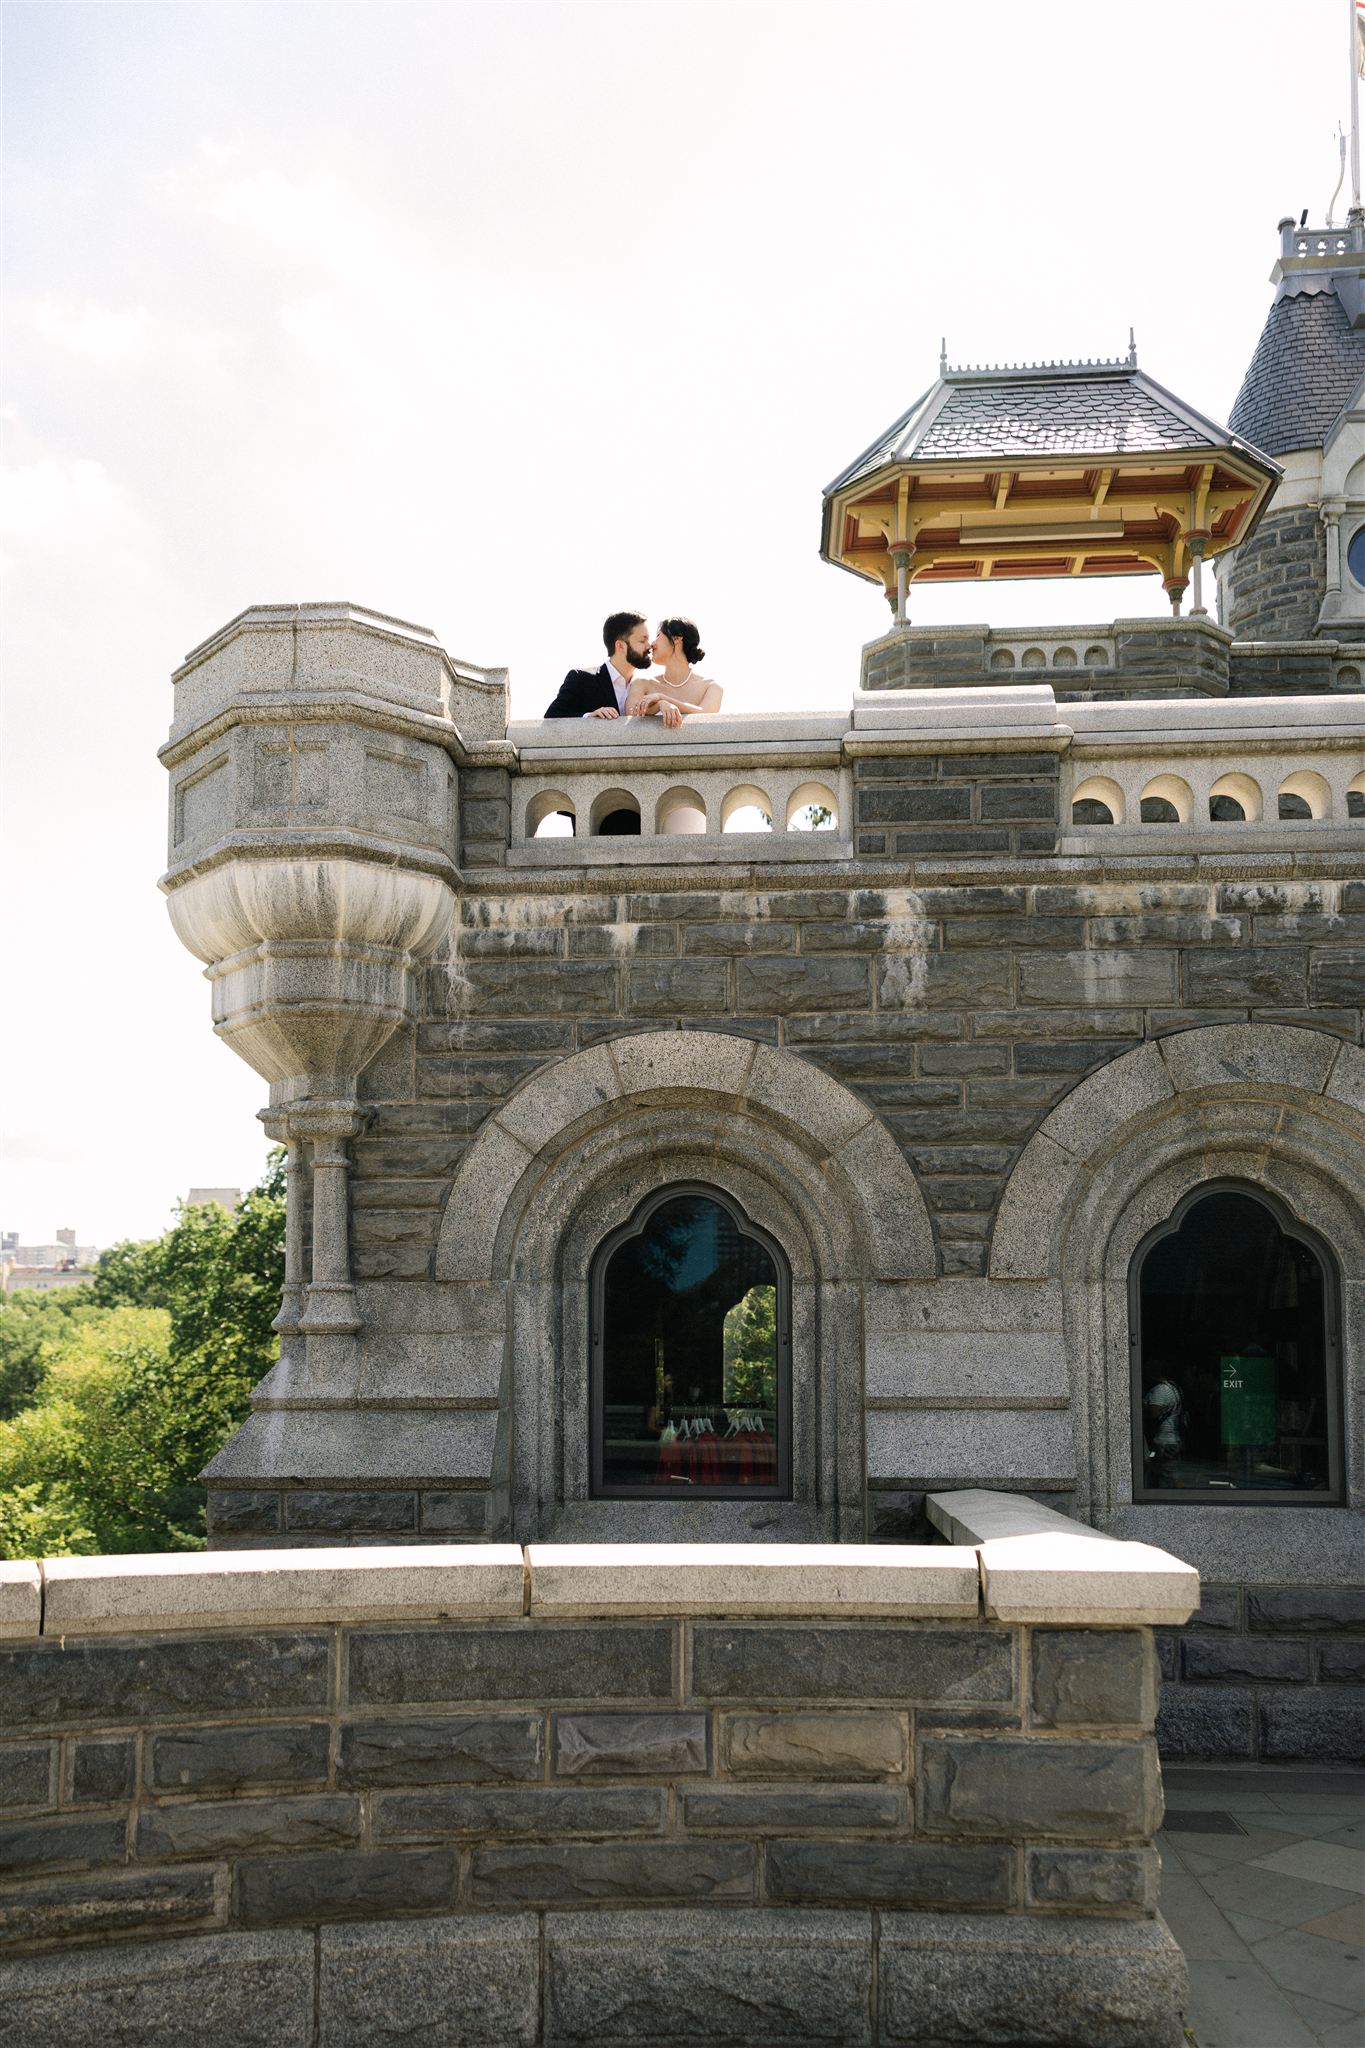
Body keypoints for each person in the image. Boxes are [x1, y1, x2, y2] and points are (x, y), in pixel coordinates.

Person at [543, 611, 652, 718]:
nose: (649, 646)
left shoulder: (650, 686)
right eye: (642, 641)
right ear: (620, 646)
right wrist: (589, 717)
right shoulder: (581, 679)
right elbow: (552, 716)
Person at [626, 618, 722, 729]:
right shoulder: (641, 684)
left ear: (676, 638)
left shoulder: (711, 687)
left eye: (658, 636)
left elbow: (705, 714)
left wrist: (662, 697)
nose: (651, 644)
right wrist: (659, 705)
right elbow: (630, 715)